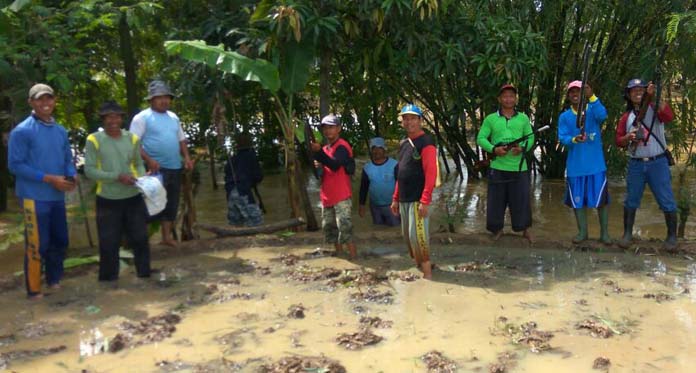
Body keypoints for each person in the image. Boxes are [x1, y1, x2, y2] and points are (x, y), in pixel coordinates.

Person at [8, 83, 77, 299]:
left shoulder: (60, 130)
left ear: (54, 101)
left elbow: (67, 159)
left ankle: (54, 281)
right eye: (40, 99)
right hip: (33, 197)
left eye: (49, 98)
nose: (45, 103)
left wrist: (71, 174)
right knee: (38, 244)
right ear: (31, 102)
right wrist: (48, 178)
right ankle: (34, 290)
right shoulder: (22, 131)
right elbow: (15, 165)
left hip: (56, 195)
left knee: (60, 240)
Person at [84, 101, 150, 281]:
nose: (113, 120)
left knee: (140, 238)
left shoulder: (132, 138)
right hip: (107, 199)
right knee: (108, 243)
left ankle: (145, 276)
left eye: (117, 116)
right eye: (109, 116)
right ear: (103, 119)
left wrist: (140, 178)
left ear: (122, 118)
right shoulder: (94, 140)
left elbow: (138, 163)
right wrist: (117, 176)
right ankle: (108, 281)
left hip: (133, 197)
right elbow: (89, 170)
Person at [130, 80, 193, 247]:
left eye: (167, 97)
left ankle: (166, 238)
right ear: (151, 99)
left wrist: (186, 158)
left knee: (171, 203)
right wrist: (149, 160)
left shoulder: (173, 117)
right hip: (153, 170)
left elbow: (181, 140)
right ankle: (143, 241)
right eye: (160, 97)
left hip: (174, 167)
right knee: (151, 203)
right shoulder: (141, 117)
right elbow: (133, 143)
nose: (164, 101)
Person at [615, 79, 677, 250]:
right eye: (633, 90)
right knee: (631, 200)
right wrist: (628, 138)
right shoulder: (626, 117)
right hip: (636, 164)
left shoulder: (653, 108)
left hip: (658, 162)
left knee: (666, 199)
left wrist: (654, 96)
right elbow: (618, 140)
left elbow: (668, 116)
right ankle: (627, 234)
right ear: (628, 95)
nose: (637, 93)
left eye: (641, 90)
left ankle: (672, 237)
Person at [476, 84, 534, 243]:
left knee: (521, 200)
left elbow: (530, 138)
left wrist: (522, 148)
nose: (508, 99)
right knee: (496, 201)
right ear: (500, 99)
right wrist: (494, 149)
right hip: (497, 167)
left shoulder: (523, 118)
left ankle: (525, 230)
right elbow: (480, 138)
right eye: (505, 96)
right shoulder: (491, 118)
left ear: (515, 99)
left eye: (511, 96)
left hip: (519, 167)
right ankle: (497, 230)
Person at [557, 81, 611, 244]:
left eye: (579, 91)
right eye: (572, 92)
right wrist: (574, 139)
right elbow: (562, 137)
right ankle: (583, 232)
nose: (575, 94)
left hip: (596, 166)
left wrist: (592, 96)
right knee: (577, 202)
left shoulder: (593, 110)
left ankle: (605, 234)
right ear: (568, 96)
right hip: (576, 167)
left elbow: (603, 116)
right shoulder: (565, 116)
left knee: (601, 200)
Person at [390, 104, 437, 279]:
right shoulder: (403, 144)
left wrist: (425, 200)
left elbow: (431, 172)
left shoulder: (427, 142)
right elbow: (400, 173)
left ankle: (428, 276)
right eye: (405, 118)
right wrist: (395, 198)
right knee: (408, 237)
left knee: (418, 238)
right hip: (404, 198)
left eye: (413, 118)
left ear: (420, 121)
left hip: (418, 198)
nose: (409, 122)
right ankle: (420, 267)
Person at [310, 114, 357, 259]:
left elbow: (335, 165)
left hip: (341, 195)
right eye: (325, 128)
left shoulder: (342, 146)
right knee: (330, 228)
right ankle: (340, 253)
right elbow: (321, 170)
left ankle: (354, 256)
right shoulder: (325, 149)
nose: (328, 131)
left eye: (331, 127)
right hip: (327, 195)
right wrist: (318, 163)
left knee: (345, 227)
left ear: (338, 129)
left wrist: (319, 154)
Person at [224, 132, 264, 227]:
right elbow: (258, 176)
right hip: (243, 192)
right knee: (256, 223)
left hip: (230, 193)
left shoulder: (233, 158)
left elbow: (227, 173)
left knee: (236, 224)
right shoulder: (251, 156)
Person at [359, 137, 400, 227]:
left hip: (392, 206)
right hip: (375, 207)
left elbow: (400, 185)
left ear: (384, 149)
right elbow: (363, 188)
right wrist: (361, 205)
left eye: (379, 148)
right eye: (374, 148)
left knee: (395, 230)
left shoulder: (395, 165)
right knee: (378, 230)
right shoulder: (367, 168)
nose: (377, 151)